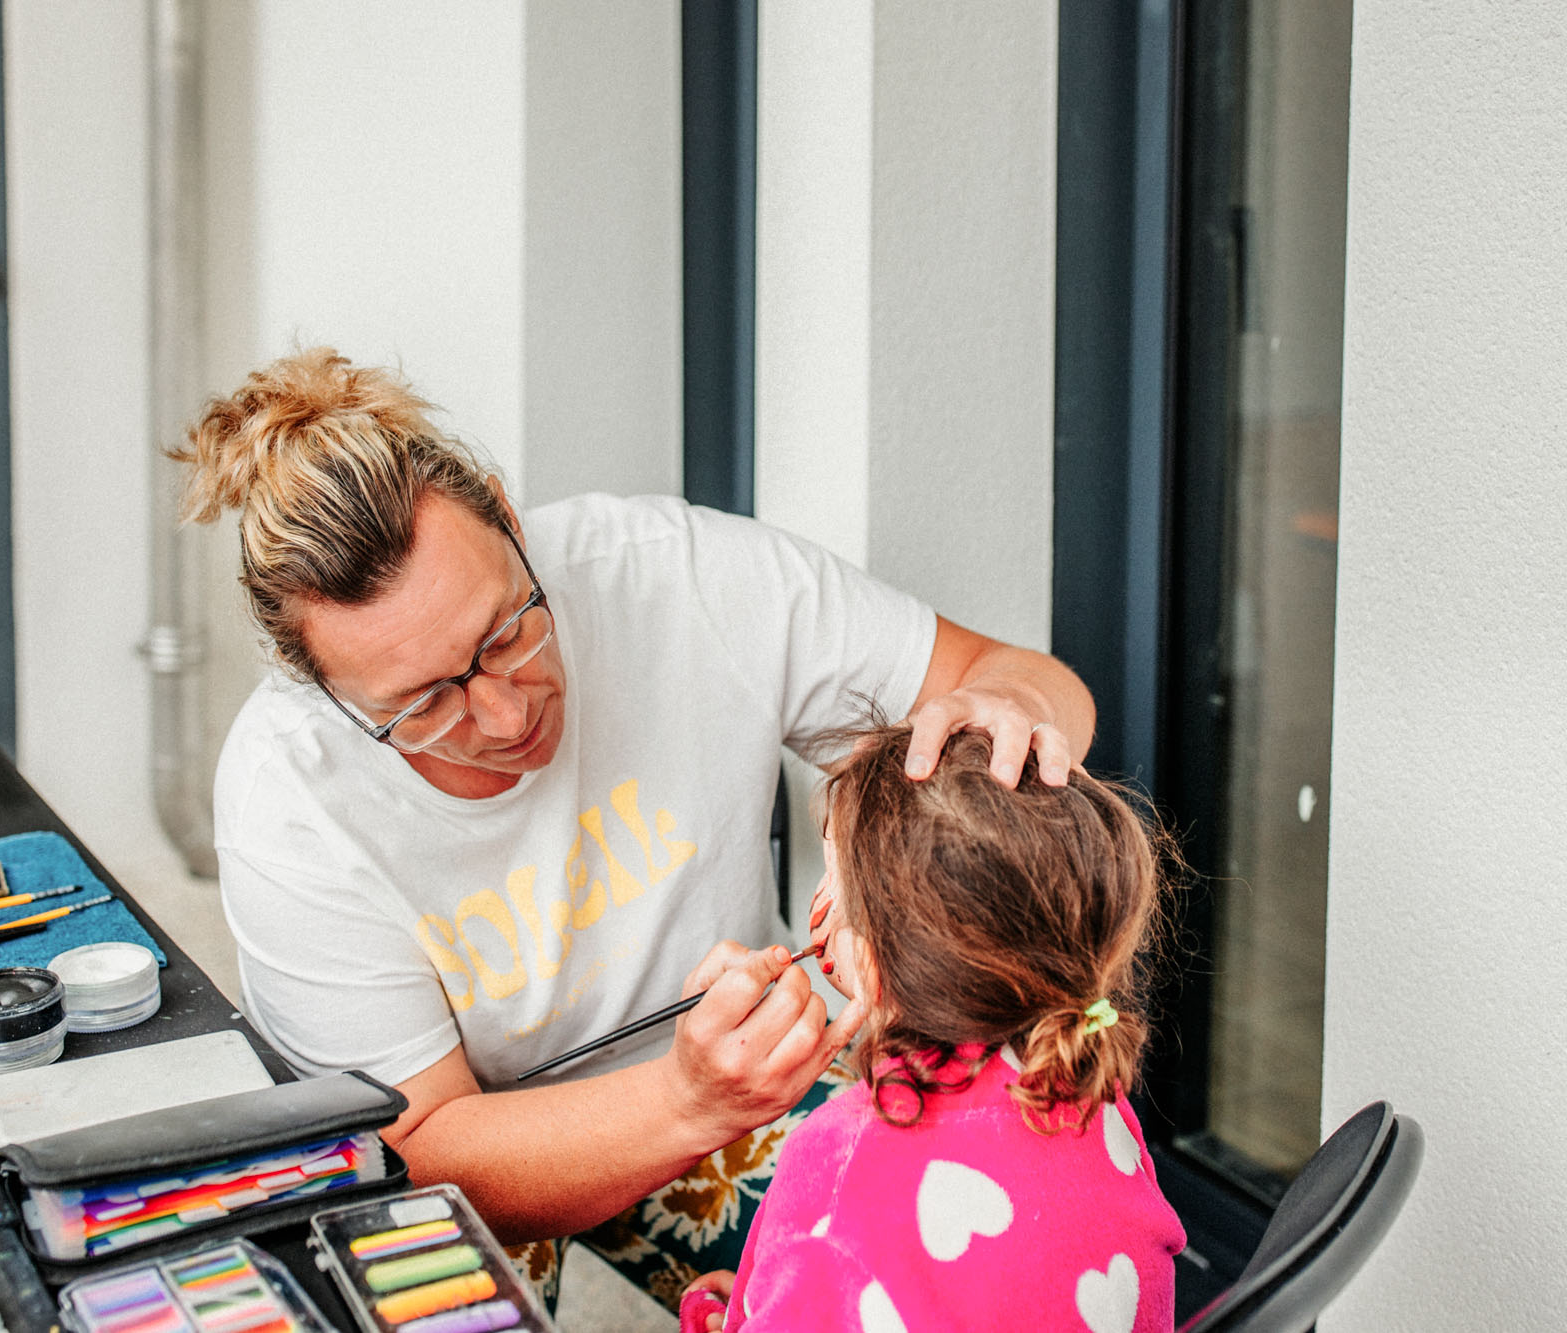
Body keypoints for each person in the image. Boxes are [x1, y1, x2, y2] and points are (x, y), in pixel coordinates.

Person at [176, 349, 1097, 1310]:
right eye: (422, 704)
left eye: (505, 633)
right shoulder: (288, 796)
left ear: (509, 519)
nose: (504, 715)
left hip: (745, 1071)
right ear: (327, 693)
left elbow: (1024, 681)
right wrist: (685, 1101)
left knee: (955, 1273)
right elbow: (415, 1152)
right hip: (484, 1135)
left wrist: (1004, 709)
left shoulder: (673, 575)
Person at [682, 723, 1184, 1332]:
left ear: (872, 965)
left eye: (834, 875)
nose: (819, 903)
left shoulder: (837, 1161)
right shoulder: (1089, 1088)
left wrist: (726, 1317)